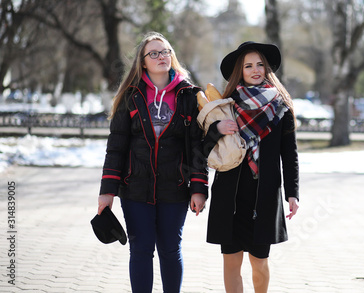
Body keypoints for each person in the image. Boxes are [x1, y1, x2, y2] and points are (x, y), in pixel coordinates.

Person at [97, 32, 208, 293]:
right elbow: (116, 146)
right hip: (135, 188)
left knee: (170, 250)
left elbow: (197, 147)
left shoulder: (189, 96)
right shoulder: (131, 96)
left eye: (166, 51)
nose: (161, 56)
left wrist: (199, 187)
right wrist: (107, 192)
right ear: (143, 62)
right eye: (154, 53)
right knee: (141, 250)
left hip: (175, 188)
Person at [203, 41, 300, 293]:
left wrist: (293, 192)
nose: (255, 69)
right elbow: (202, 147)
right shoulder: (225, 105)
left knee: (259, 262)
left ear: (267, 69)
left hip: (264, 196)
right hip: (230, 196)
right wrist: (217, 129)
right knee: (231, 261)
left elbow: (289, 155)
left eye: (260, 64)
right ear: (240, 70)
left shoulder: (280, 108)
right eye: (248, 65)